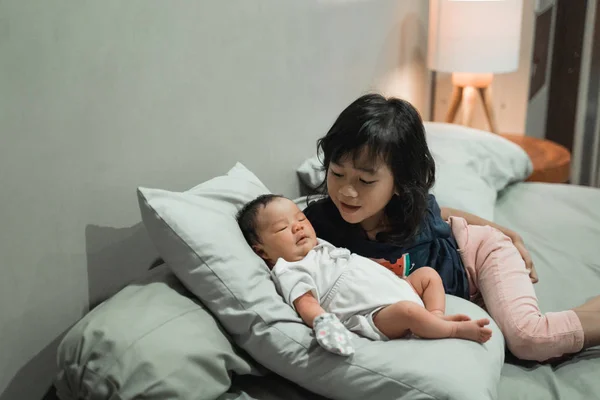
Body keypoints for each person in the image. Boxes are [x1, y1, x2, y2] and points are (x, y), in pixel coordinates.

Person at [302, 93, 600, 362]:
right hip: (466, 292)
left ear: (399, 184)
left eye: (365, 181)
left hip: (479, 255)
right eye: (337, 173)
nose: (347, 191)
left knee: (528, 338)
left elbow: (443, 213)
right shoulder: (319, 225)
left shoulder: (409, 211)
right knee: (512, 339)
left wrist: (507, 233)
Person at [236, 194, 493, 356]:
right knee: (409, 312)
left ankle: (435, 316)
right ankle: (451, 330)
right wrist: (323, 323)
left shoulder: (320, 246)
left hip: (395, 287)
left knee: (428, 275)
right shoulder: (290, 269)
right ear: (262, 251)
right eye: (282, 227)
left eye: (301, 218)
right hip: (373, 315)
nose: (297, 226)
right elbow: (307, 303)